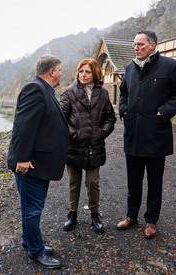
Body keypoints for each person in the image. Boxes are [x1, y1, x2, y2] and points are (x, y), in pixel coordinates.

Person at [7, 55, 69, 269]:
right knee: (32, 209)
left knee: (31, 207)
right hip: (31, 164)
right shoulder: (35, 89)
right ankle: (36, 251)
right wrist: (22, 158)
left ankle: (29, 241)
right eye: (60, 70)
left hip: (38, 163)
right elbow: (23, 126)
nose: (62, 73)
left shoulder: (45, 90)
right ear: (51, 71)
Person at [117, 31, 176, 239]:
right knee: (133, 180)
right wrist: (123, 109)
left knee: (154, 182)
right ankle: (131, 215)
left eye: (141, 44)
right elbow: (122, 94)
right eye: (135, 44)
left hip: (156, 136)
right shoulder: (129, 68)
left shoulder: (170, 66)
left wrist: (164, 112)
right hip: (133, 134)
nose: (136, 48)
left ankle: (151, 220)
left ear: (152, 46)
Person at [60, 58, 116, 234]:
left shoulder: (103, 94)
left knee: (93, 183)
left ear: (95, 74)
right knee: (74, 183)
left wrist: (102, 133)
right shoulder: (69, 92)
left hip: (95, 146)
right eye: (81, 71)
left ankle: (94, 215)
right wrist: (73, 134)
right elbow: (60, 118)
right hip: (74, 146)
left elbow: (110, 118)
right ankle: (72, 215)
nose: (83, 75)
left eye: (88, 72)